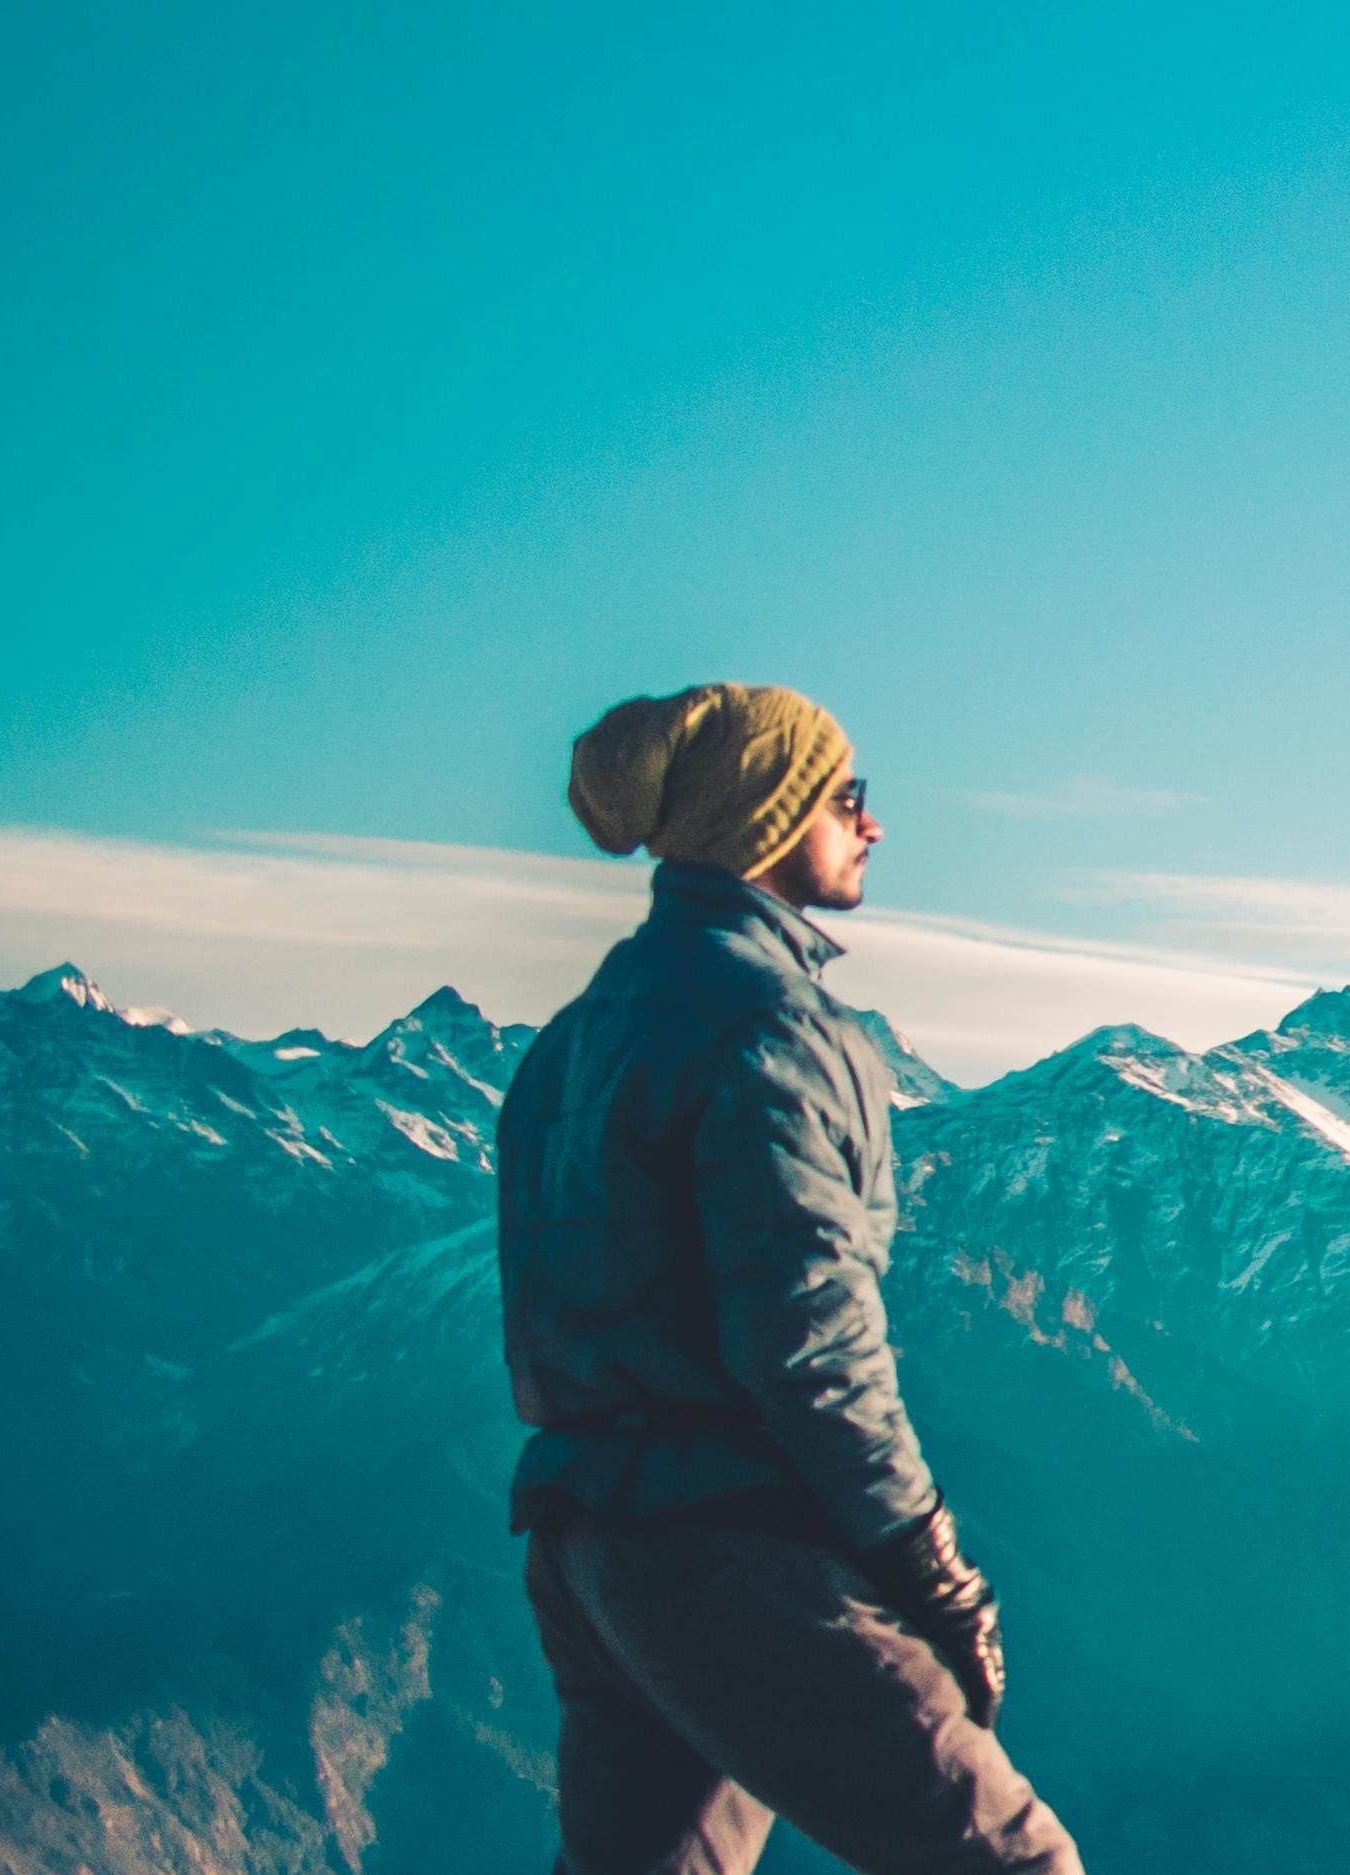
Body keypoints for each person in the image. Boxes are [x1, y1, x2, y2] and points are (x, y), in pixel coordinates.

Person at [500, 683, 1080, 1874]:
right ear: (769, 815)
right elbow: (813, 1346)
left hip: (586, 1542)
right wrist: (932, 1568)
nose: (873, 827)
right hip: (730, 1552)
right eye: (848, 798)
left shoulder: (574, 1037)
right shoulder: (777, 1031)